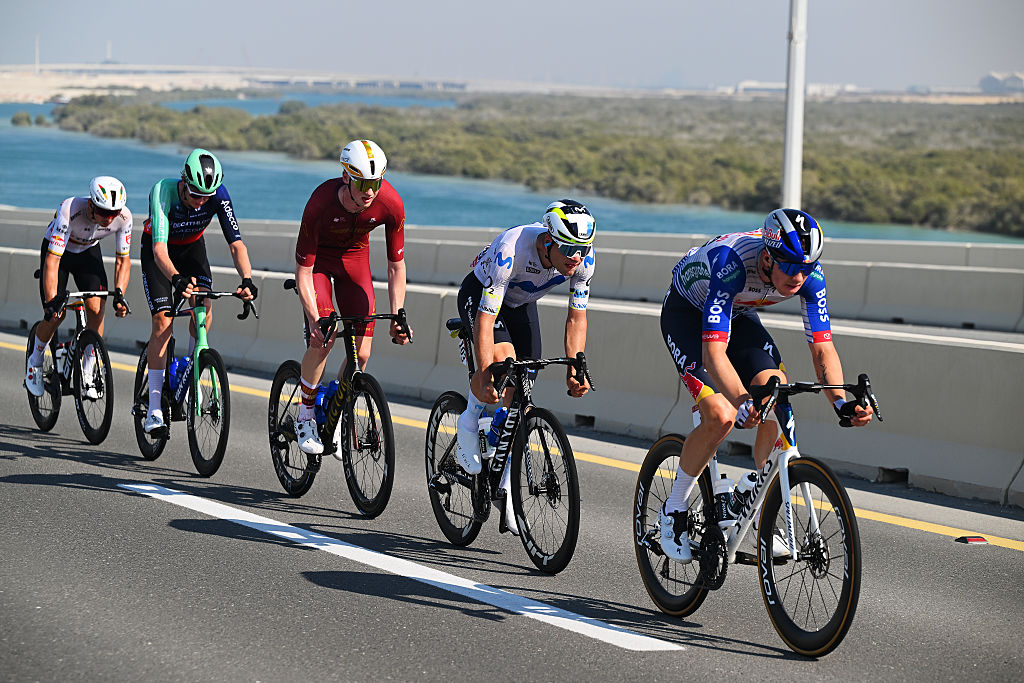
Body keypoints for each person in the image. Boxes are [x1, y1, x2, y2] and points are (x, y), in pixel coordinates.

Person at [657, 208, 873, 563]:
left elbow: (822, 347)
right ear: (768, 257)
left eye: (806, 267)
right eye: (789, 267)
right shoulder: (734, 264)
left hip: (737, 315)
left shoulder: (809, 274)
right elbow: (714, 354)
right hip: (687, 313)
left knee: (777, 391)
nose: (798, 276)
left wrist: (840, 403)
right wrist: (742, 400)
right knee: (721, 414)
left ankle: (755, 499)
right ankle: (675, 507)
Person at [453, 199, 596, 535]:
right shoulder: (511, 249)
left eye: (583, 249)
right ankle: (469, 420)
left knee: (522, 394)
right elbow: (486, 322)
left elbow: (577, 316)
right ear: (549, 241)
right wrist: (487, 371)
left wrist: (575, 364)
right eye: (570, 249)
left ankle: (506, 489)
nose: (576, 258)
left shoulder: (583, 261)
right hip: (484, 297)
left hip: (521, 305)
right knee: (502, 367)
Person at [292, 139, 411, 456]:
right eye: (362, 183)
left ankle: (335, 403)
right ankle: (304, 415)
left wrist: (398, 313)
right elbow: (302, 272)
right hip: (318, 266)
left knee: (362, 354)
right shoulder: (319, 203)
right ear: (346, 176)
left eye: (376, 182)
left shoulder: (391, 203)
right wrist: (314, 318)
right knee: (325, 339)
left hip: (354, 262)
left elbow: (395, 266)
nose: (370, 191)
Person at [141, 148, 256, 433]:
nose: (200, 202)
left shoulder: (218, 195)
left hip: (192, 248)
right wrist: (176, 279)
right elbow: (158, 249)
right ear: (183, 181)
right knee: (163, 322)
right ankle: (154, 407)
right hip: (160, 252)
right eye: (195, 195)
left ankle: (192, 372)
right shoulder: (163, 191)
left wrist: (247, 279)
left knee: (203, 306)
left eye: (207, 197)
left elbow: (236, 244)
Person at [25, 176, 132, 400]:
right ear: (91, 205)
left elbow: (123, 260)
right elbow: (52, 262)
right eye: (104, 212)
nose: (109, 218)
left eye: (114, 213)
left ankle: (88, 369)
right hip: (59, 254)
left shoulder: (123, 218)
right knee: (56, 315)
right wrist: (52, 301)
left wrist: (120, 294)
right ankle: (34, 363)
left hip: (87, 253)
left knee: (96, 309)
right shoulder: (69, 209)